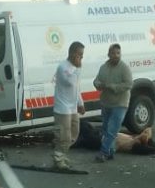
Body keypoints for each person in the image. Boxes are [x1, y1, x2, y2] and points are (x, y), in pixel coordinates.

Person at [92, 43, 134, 161]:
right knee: (105, 128)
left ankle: (103, 152)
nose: (116, 55)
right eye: (113, 53)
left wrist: (113, 87)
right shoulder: (103, 67)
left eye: (118, 53)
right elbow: (96, 80)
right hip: (106, 102)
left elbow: (129, 84)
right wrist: (98, 84)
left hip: (120, 103)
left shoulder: (124, 68)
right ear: (108, 54)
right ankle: (110, 151)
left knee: (112, 129)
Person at [53, 41, 85, 170]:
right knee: (63, 135)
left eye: (82, 55)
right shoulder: (63, 67)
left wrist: (80, 103)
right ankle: (58, 159)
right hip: (62, 108)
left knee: (74, 133)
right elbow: (71, 82)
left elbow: (76, 88)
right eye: (80, 55)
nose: (81, 58)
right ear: (72, 53)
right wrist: (78, 68)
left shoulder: (75, 68)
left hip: (72, 108)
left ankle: (63, 153)